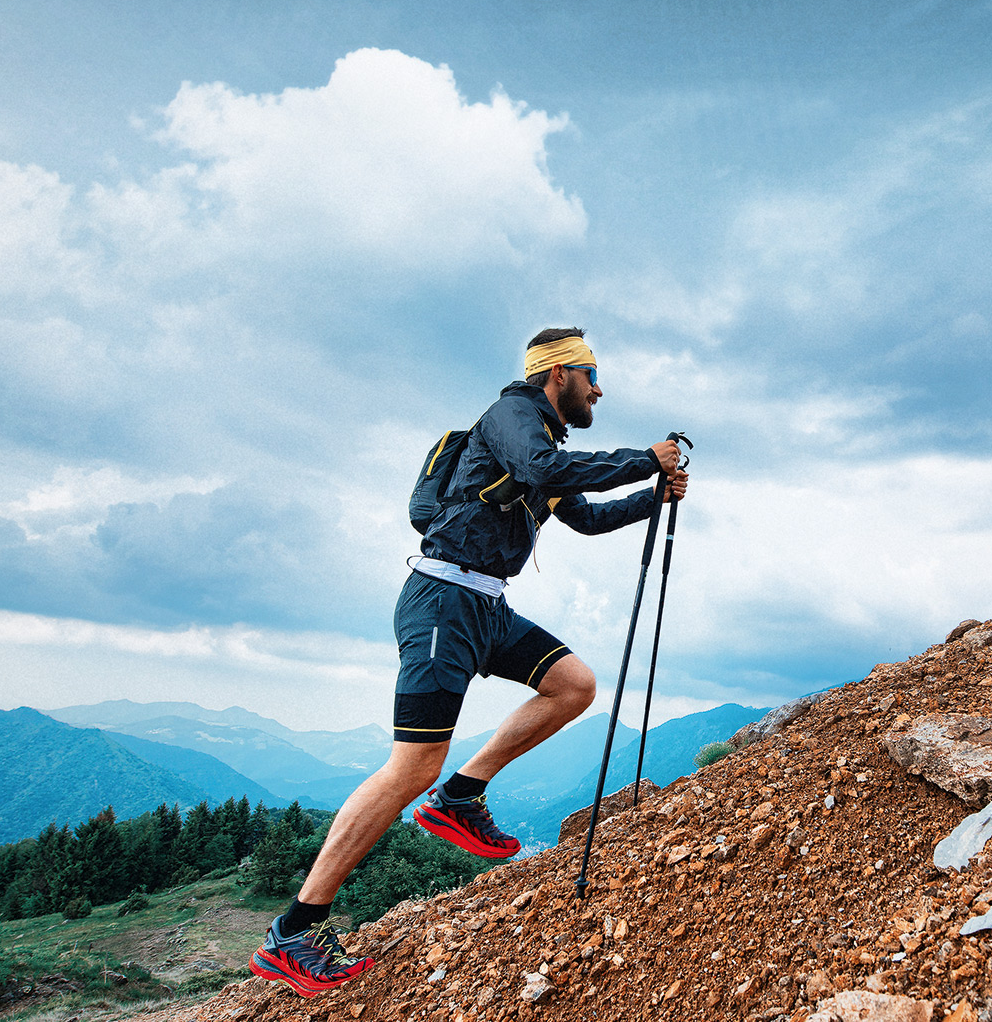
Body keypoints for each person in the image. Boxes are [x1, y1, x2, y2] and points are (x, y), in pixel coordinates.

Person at [249, 327, 688, 996]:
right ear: (557, 373)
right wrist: (643, 460)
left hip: (484, 606)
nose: (599, 387)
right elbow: (548, 474)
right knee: (410, 765)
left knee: (572, 684)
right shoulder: (514, 417)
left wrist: (653, 495)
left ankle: (459, 796)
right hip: (442, 602)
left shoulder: (539, 444)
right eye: (591, 374)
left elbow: (586, 517)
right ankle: (292, 932)